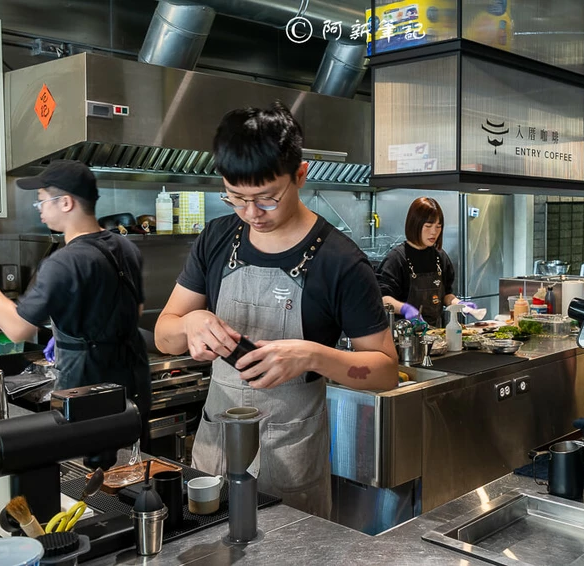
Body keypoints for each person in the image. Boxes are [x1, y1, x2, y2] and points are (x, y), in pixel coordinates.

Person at [153, 102, 397, 518]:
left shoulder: (341, 261)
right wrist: (191, 322)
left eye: (267, 199)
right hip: (215, 450)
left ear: (300, 175)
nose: (251, 214)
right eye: (236, 198)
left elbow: (385, 371)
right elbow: (164, 334)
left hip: (291, 457)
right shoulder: (216, 238)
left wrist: (313, 355)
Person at [0, 160, 151, 428]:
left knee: (88, 465)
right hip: (133, 382)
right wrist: (71, 334)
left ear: (65, 203)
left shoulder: (63, 261)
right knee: (132, 462)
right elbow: (133, 311)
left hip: (86, 389)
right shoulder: (125, 246)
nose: (39, 209)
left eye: (42, 201)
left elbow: (16, 328)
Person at [376, 197, 476, 328]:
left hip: (436, 334)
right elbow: (383, 298)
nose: (434, 232)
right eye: (428, 226)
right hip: (404, 337)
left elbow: (446, 293)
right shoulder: (396, 259)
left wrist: (458, 304)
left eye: (438, 226)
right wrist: (405, 309)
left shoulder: (440, 257)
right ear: (415, 224)